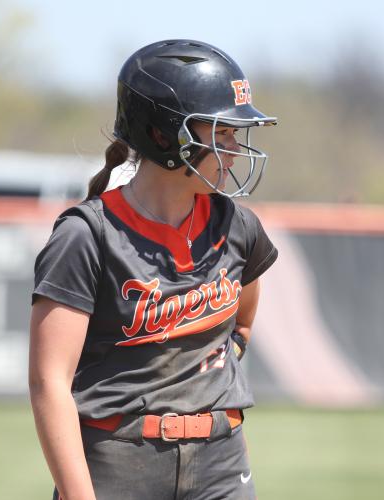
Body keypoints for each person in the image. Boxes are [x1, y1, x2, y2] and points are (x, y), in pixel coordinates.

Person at [29, 39, 278, 500]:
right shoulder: (87, 234)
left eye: (234, 135)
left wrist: (204, 380)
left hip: (220, 460)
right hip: (117, 460)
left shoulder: (238, 226)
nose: (234, 149)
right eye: (219, 133)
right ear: (163, 137)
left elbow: (242, 323)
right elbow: (49, 384)